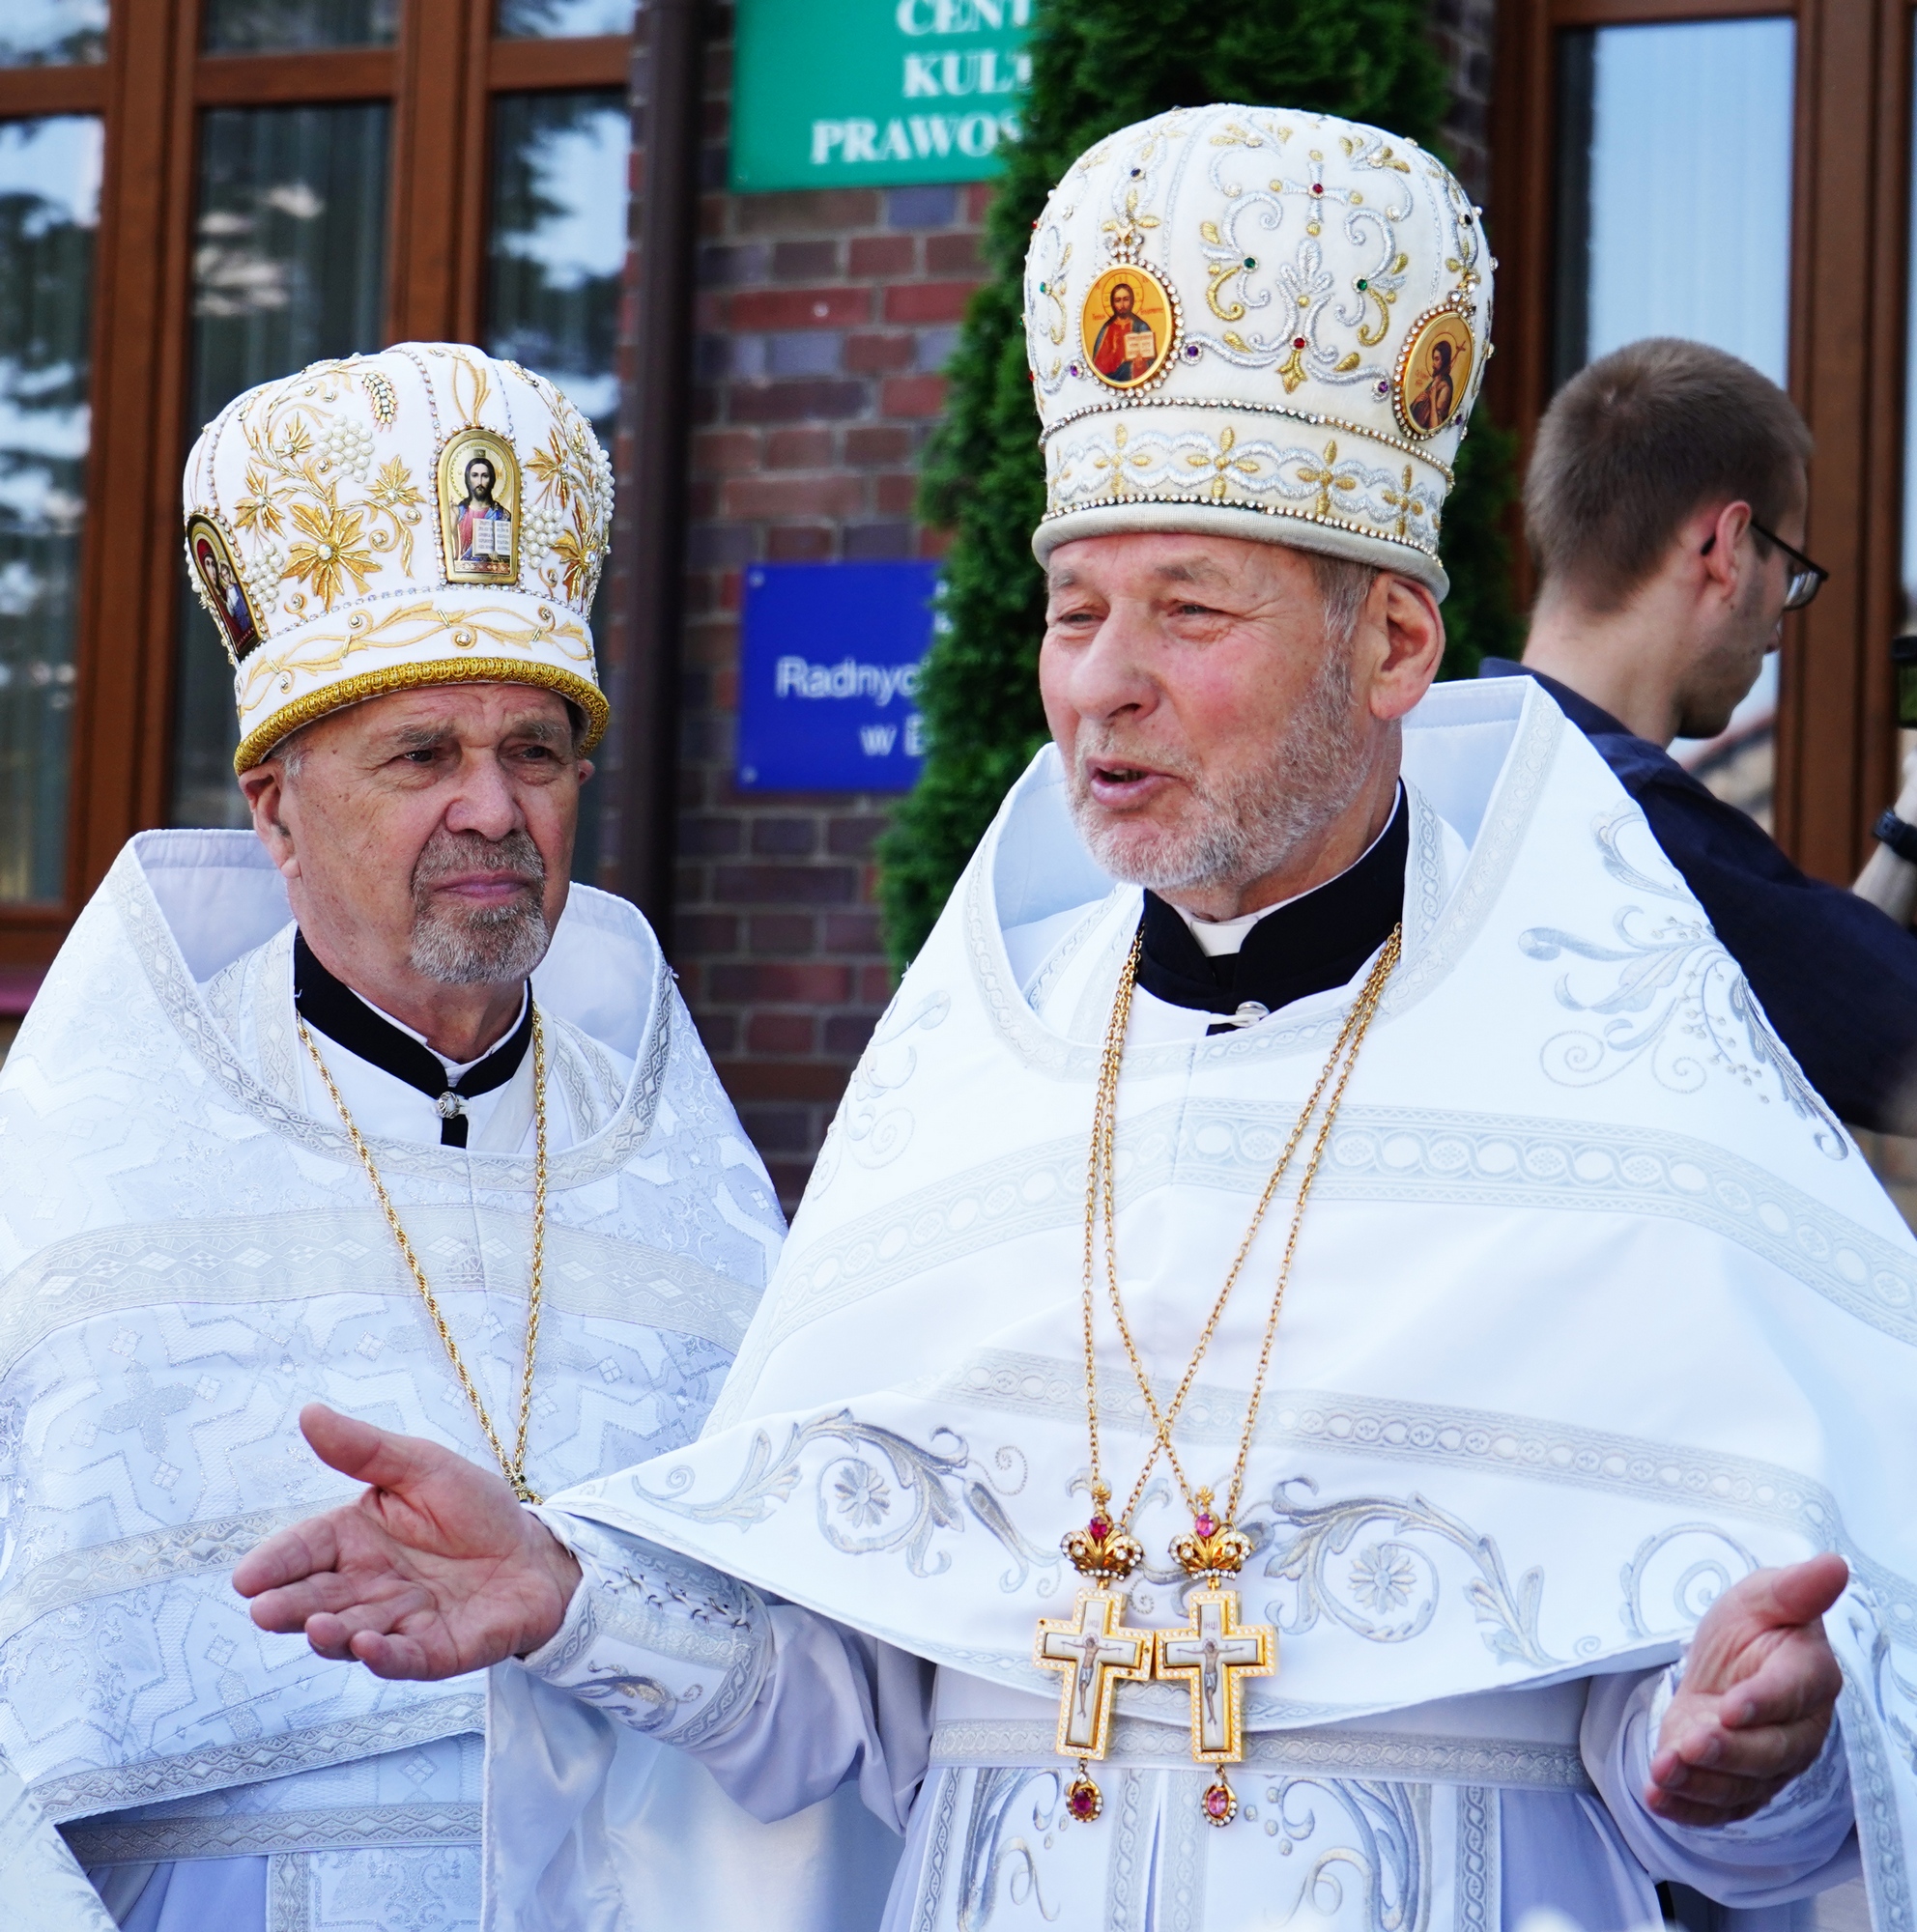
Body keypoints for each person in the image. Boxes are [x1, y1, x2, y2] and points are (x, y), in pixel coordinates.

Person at [238, 112, 1914, 1932]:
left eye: (1188, 610)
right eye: (1071, 610)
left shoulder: (1620, 1111)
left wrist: (1745, 1765)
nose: (1102, 683)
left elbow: (1702, 1780)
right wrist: (571, 1595)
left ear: (1391, 652)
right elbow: (853, 1718)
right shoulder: (967, 1104)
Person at [0, 346, 892, 1932]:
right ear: (274, 808)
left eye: (532, 753)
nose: (491, 809)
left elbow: (820, 1689)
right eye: (421, 755)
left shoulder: (692, 1195)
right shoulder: (76, 1183)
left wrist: (579, 1602)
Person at [1484, 337, 1917, 1135]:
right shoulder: (1629, 826)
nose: (1781, 633)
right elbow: (1898, 1048)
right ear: (1725, 549)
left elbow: (1808, 989)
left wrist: (1905, 837)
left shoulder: (1458, 760)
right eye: (1789, 576)